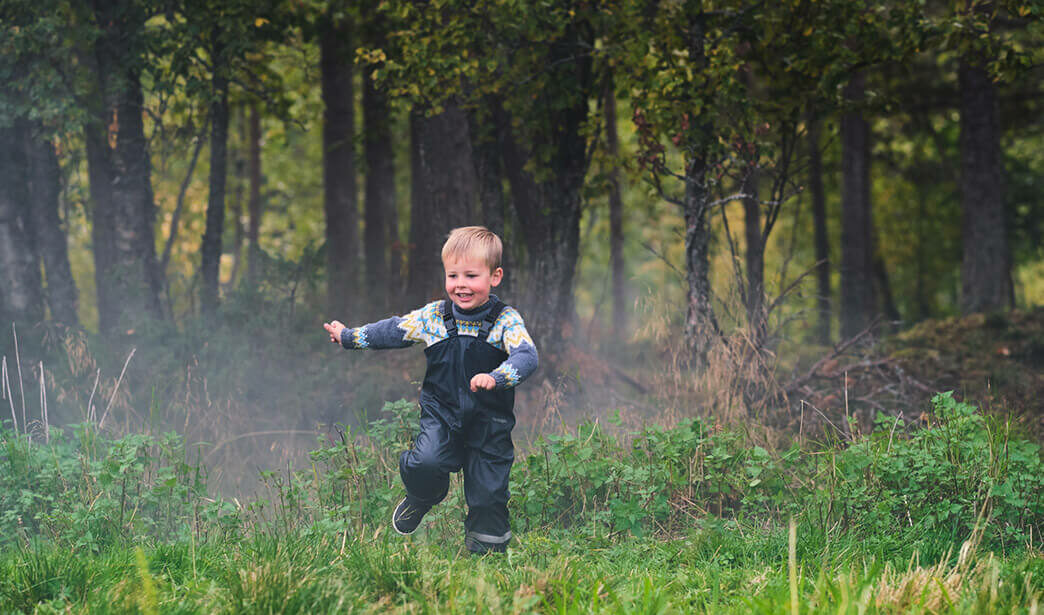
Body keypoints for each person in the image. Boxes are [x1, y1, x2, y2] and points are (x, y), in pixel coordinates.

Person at [323, 226, 538, 554]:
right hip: (443, 414)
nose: (461, 284)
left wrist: (498, 376)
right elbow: (394, 330)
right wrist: (351, 337)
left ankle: (487, 558)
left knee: (489, 495)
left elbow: (527, 355)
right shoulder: (434, 317)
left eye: (471, 275)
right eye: (453, 275)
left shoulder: (505, 320)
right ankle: (423, 495)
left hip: (489, 423)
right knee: (425, 462)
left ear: (495, 276)